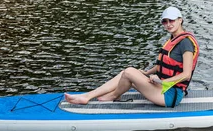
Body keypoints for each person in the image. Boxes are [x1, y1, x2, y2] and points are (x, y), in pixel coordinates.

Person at [64, 6, 199, 108]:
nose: (168, 24)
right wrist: (146, 73)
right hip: (162, 88)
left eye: (172, 20)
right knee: (126, 73)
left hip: (170, 95)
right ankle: (88, 96)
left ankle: (112, 95)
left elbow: (186, 75)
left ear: (180, 20)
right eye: (165, 21)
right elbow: (161, 66)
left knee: (129, 72)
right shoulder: (173, 39)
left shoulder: (185, 43)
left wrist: (162, 81)